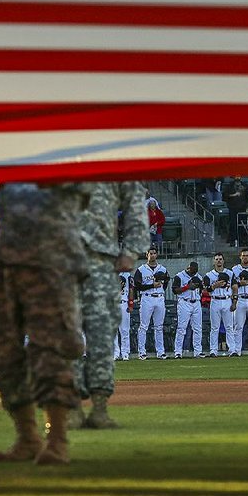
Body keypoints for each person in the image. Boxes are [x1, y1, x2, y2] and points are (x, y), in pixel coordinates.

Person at [0, 182, 88, 465]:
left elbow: (80, 184)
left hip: (48, 250)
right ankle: (27, 436)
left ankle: (57, 438)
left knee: (51, 344)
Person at [71, 182, 148, 430]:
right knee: (62, 336)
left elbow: (135, 198)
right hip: (59, 258)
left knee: (102, 336)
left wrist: (133, 249)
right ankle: (70, 407)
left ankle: (100, 407)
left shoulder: (110, 156)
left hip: (100, 260)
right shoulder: (54, 150)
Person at [134, 246, 170, 360]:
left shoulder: (162, 269)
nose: (152, 255)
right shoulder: (141, 269)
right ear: (147, 255)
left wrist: (159, 290)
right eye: (151, 253)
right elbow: (137, 286)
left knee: (159, 326)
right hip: (147, 298)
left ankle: (160, 352)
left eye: (154, 253)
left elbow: (166, 282)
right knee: (144, 326)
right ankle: (142, 352)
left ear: (157, 255)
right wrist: (151, 286)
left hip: (159, 298)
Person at [203, 253, 234, 357]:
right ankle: (213, 350)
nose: (219, 261)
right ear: (214, 261)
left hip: (226, 299)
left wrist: (234, 301)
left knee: (229, 326)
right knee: (214, 327)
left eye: (220, 259)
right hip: (215, 299)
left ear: (223, 261)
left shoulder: (230, 273)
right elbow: (206, 290)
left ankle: (232, 349)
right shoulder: (209, 275)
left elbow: (234, 287)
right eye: (216, 259)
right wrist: (214, 286)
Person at [172, 262, 204, 358]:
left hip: (196, 302)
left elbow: (201, 290)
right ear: (188, 268)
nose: (194, 272)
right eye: (192, 270)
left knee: (197, 328)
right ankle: (178, 351)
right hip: (184, 302)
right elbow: (174, 290)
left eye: (195, 270)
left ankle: (198, 351)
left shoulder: (199, 277)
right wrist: (187, 287)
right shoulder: (179, 276)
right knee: (182, 328)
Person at [116, 271, 134, 361]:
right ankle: (115, 353)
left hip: (123, 302)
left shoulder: (127, 275)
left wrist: (130, 304)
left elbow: (131, 289)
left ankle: (125, 353)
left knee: (124, 330)